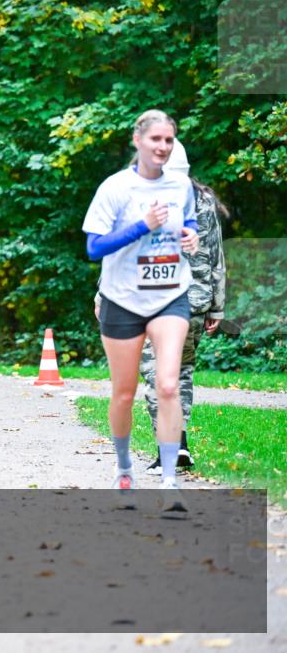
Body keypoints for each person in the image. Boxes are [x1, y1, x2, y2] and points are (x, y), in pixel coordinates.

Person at [82, 110, 199, 514]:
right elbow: (94, 248)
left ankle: (169, 483)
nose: (162, 148)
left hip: (170, 295)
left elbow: (192, 221)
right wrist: (142, 226)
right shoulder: (116, 189)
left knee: (167, 384)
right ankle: (124, 467)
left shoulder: (181, 185)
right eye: (156, 140)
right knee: (125, 392)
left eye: (169, 140)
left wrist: (191, 236)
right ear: (138, 140)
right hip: (123, 298)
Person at [95, 140, 228, 472]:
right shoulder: (204, 199)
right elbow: (216, 255)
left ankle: (172, 448)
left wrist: (103, 293)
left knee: (158, 374)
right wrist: (217, 305)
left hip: (149, 299)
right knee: (179, 373)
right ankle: (179, 445)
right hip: (194, 300)